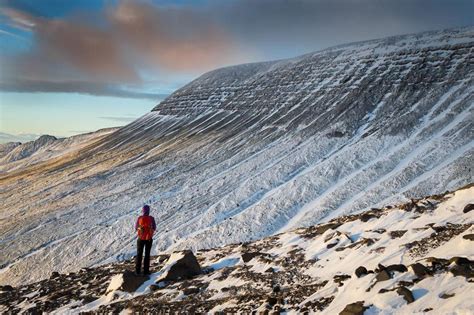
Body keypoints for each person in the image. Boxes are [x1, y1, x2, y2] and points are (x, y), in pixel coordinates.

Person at [135, 204, 156, 275]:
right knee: (147, 255)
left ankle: (137, 271)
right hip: (149, 239)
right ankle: (146, 272)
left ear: (143, 210)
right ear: (149, 211)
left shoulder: (139, 218)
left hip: (140, 238)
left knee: (139, 254)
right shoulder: (151, 218)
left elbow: (136, 227)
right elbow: (154, 227)